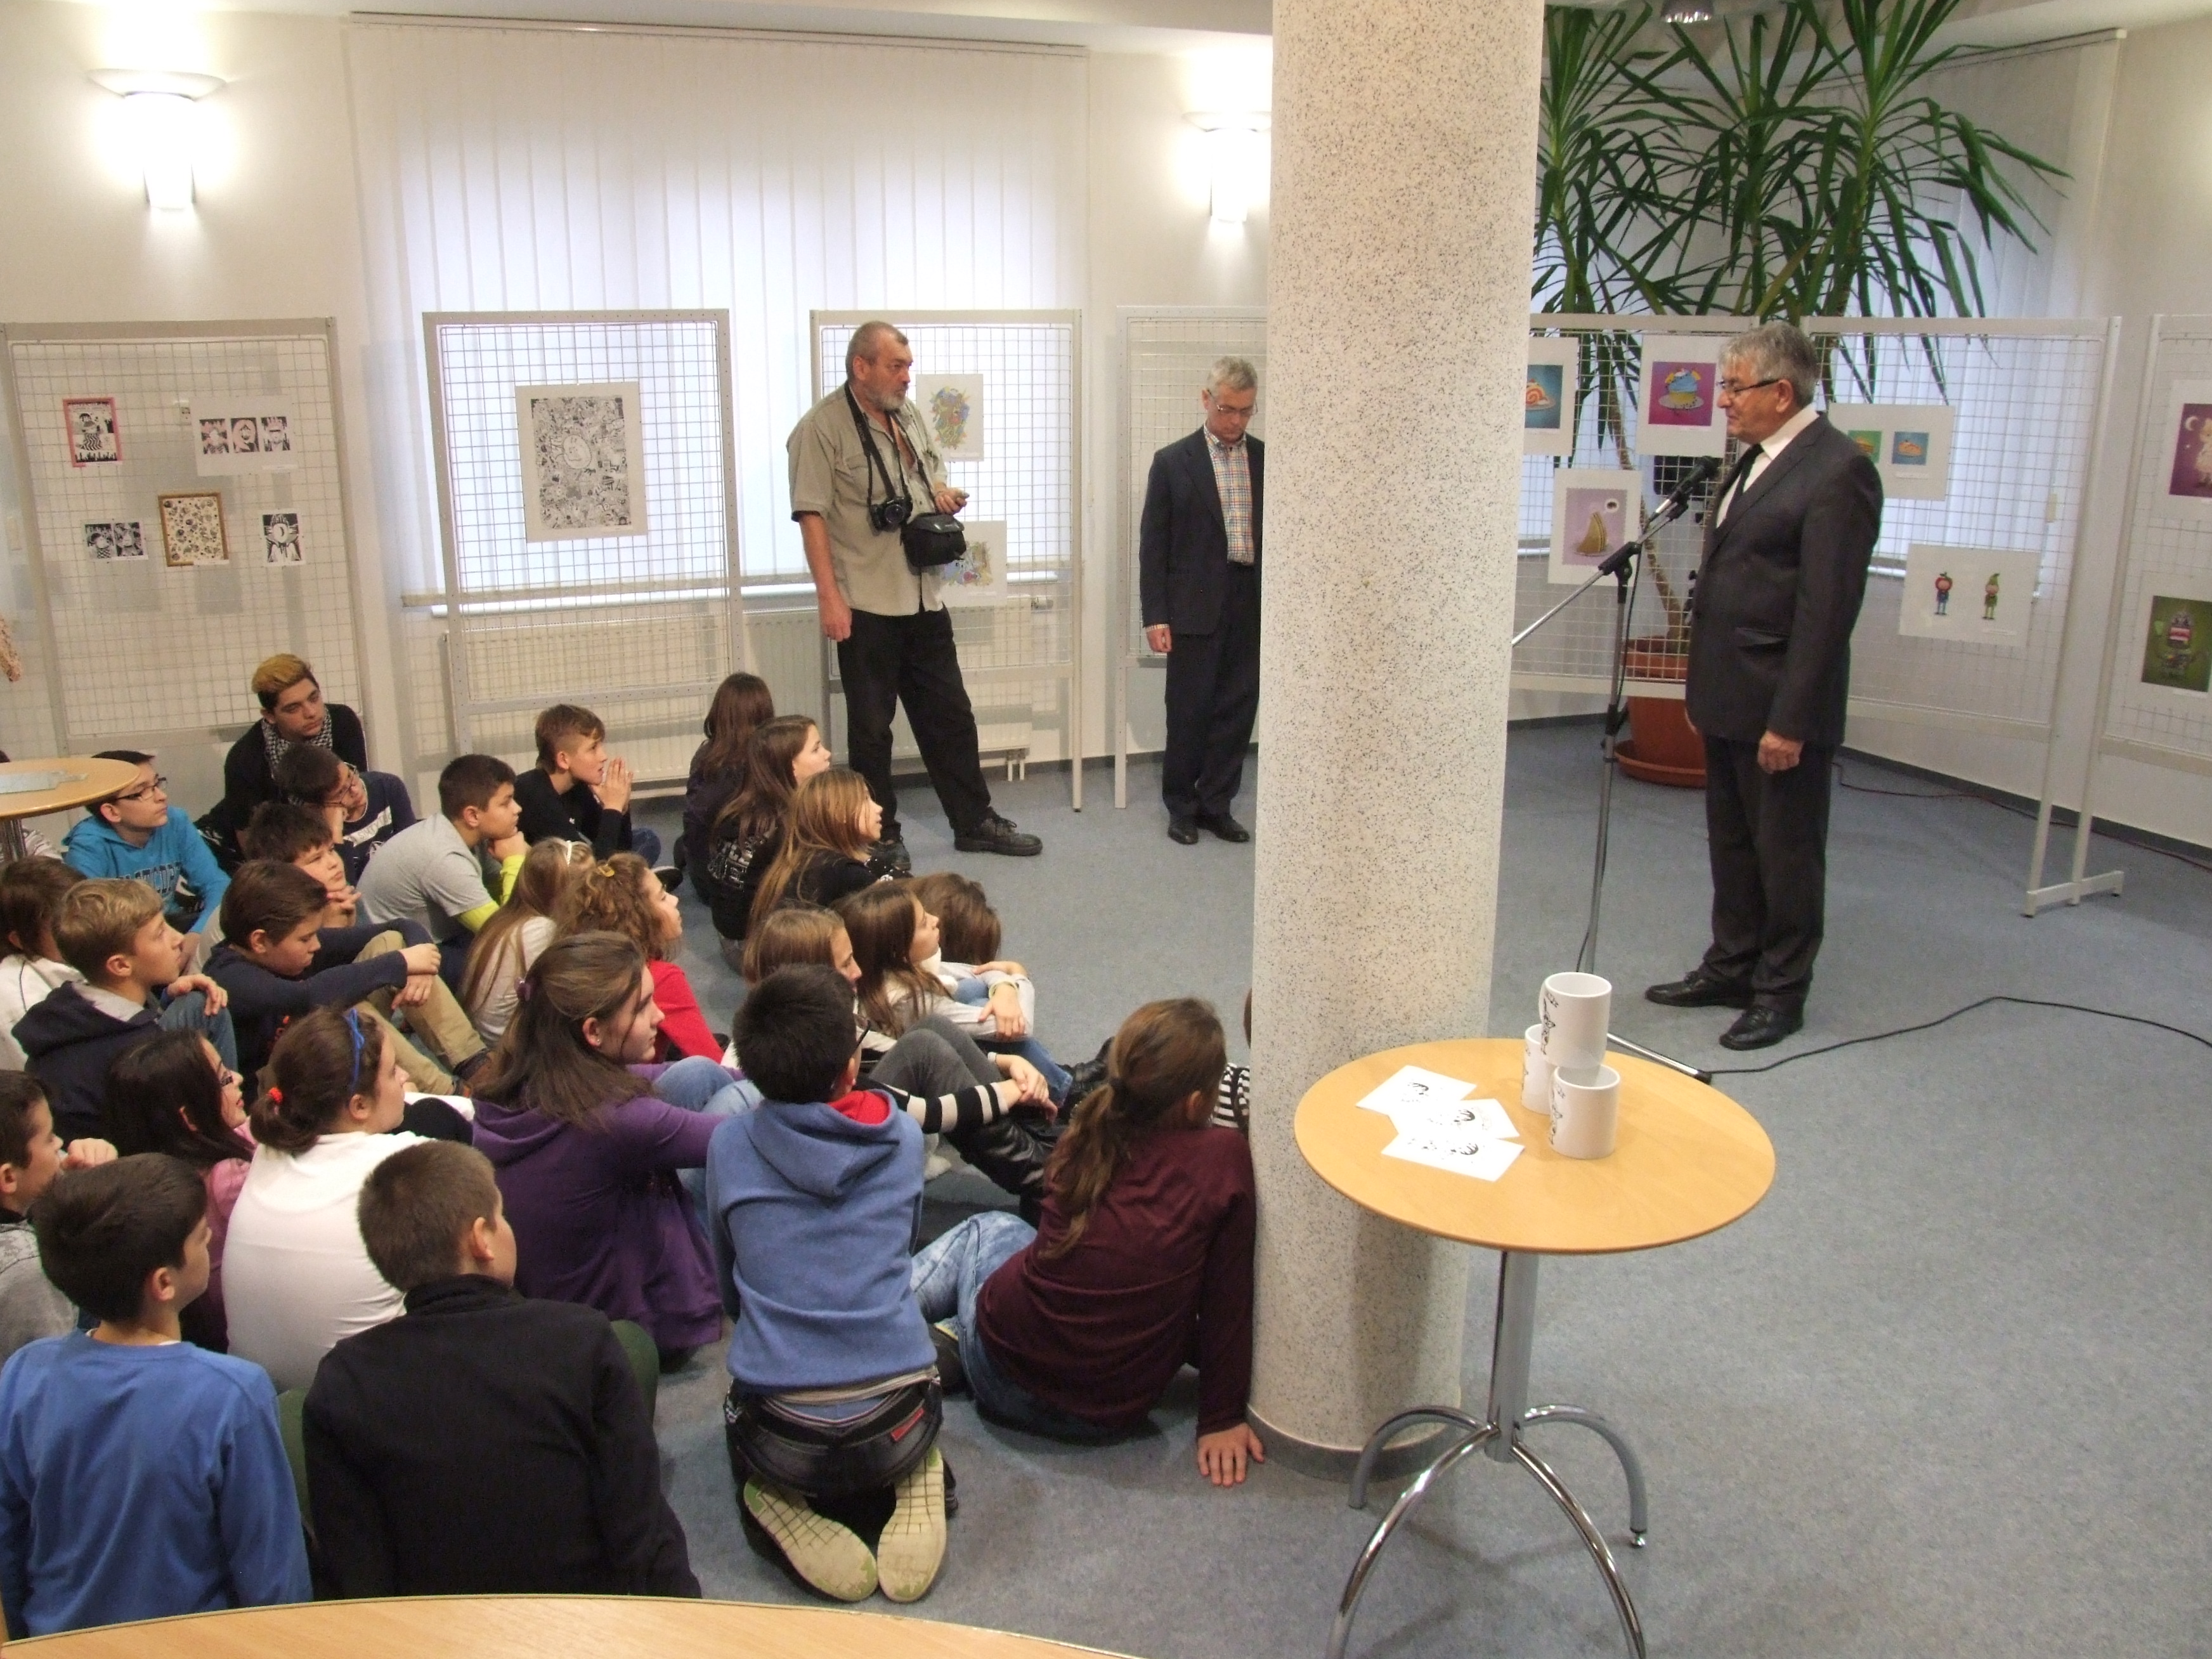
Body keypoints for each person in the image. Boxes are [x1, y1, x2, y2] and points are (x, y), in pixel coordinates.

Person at [303, 1142, 699, 1598]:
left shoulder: (343, 1380)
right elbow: (641, 1531)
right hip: (579, 1623)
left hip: (425, 1629)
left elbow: (357, 1573)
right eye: (501, 1216)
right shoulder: (580, 1341)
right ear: (481, 1239)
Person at [1646, 321, 1882, 1050]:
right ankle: (1731, 966)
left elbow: (1826, 610)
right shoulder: (1752, 460)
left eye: (1734, 387)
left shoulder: (1838, 470)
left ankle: (1780, 992)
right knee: (1733, 843)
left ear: (1781, 393)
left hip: (1780, 705)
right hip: (1727, 694)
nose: (1722, 400)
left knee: (1785, 852)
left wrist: (1791, 719)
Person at [916, 998, 1263, 1486]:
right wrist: (1222, 1417)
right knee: (1015, 1243)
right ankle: (948, 1338)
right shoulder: (1224, 1160)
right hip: (1112, 1411)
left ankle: (878, 1326)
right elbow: (1229, 1297)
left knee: (990, 1228)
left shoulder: (1083, 1142)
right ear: (1194, 1103)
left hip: (1003, 1374)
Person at [706, 964, 950, 1604]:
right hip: (899, 1406)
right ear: (850, 1068)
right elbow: (904, 1245)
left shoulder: (727, 1146)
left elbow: (728, 1278)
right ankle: (916, 1471)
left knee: (745, 1419)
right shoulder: (901, 1137)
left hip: (780, 1427)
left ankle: (775, 1495)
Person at [0, 1155, 311, 1636]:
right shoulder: (233, 1393)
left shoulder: (26, 1372)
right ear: (164, 1282)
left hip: (56, 1641)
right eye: (203, 1239)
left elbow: (9, 1539)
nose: (210, 1243)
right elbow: (272, 1572)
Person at [786, 320, 1039, 864]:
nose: (906, 376)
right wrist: (829, 598)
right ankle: (880, 835)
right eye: (896, 366)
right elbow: (811, 516)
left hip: (924, 596)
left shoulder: (909, 415)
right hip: (865, 603)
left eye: (908, 366)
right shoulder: (821, 429)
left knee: (952, 717)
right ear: (862, 367)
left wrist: (940, 493)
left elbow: (928, 475)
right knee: (872, 732)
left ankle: (974, 820)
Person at [468, 933, 724, 1365]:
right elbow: (746, 1139)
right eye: (643, 1007)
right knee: (746, 1110)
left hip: (561, 1307)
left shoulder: (531, 1078)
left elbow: (664, 1079)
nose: (660, 1016)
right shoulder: (615, 1121)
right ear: (593, 1031)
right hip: (631, 1332)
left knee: (698, 1072)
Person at [741, 906, 1057, 1212]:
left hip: (836, 1131)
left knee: (932, 1029)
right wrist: (1008, 1089)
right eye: (847, 963)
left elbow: (894, 1052)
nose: (858, 971)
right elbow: (929, 1111)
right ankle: (1049, 1181)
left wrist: (1000, 1063)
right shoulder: (808, 1062)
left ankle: (1045, 1146)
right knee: (926, 1047)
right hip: (836, 1158)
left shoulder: (793, 1030)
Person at [221, 1006, 432, 1391]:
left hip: (262, 1397)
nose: (405, 1077)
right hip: (356, 1406)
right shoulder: (401, 1164)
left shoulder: (270, 1146)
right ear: (359, 1106)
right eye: (392, 1072)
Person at [208, 861, 486, 1093]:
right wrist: (401, 963)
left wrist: (419, 967)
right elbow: (306, 997)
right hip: (274, 1092)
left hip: (323, 1061)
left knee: (391, 942)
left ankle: (480, 1068)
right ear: (259, 941)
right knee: (341, 1010)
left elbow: (401, 926)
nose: (316, 945)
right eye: (305, 939)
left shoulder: (287, 946)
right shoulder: (228, 976)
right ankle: (454, 1096)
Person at [1139, 357, 1264, 846]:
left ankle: (1217, 804)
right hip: (1192, 604)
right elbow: (1155, 546)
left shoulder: (1265, 459)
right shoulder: (1173, 462)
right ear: (1206, 399)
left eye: (1246, 411)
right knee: (1189, 710)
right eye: (1227, 409)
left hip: (1250, 598)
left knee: (1237, 708)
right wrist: (1155, 615)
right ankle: (1182, 807)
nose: (1235, 421)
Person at [16, 880, 235, 1145]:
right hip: (131, 1156)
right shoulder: (141, 1057)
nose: (178, 938)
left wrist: (164, 999)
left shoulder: (68, 1006)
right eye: (159, 933)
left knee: (202, 1004)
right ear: (120, 966)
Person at [101, 1033, 254, 1351]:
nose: (238, 1078)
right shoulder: (229, 1179)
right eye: (224, 1078)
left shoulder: (147, 1180)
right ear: (191, 1117)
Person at [356, 753, 528, 985]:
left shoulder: (469, 836)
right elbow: (505, 936)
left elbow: (508, 891)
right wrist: (515, 860)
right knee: (508, 966)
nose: (517, 809)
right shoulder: (444, 858)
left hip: (437, 939)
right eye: (505, 803)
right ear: (472, 815)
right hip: (394, 955)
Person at [554, 854, 719, 1063]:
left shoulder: (579, 968)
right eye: (662, 897)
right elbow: (712, 1061)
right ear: (638, 917)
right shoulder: (659, 978)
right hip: (632, 1080)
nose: (675, 900)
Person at [210, 654, 371, 863]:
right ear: (270, 716)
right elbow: (252, 848)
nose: (311, 712)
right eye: (293, 708)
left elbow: (358, 794)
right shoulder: (245, 758)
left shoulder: (343, 722)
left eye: (314, 698)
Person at [701, 715, 833, 966]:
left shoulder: (740, 807)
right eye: (816, 749)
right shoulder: (786, 825)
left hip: (730, 936)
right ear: (791, 766)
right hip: (757, 949)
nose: (828, 754)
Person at [0, 1076, 114, 1364]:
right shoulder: (28, 1270)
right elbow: (56, 1377)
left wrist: (85, 1184)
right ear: (8, 1177)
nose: (61, 1144)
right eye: (50, 1138)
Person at [61, 752, 231, 935]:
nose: (161, 796)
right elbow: (90, 922)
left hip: (171, 924)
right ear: (112, 812)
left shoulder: (175, 821)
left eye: (156, 784)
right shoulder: (88, 846)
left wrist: (198, 934)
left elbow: (216, 884)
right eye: (142, 792)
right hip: (123, 936)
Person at [460, 837, 593, 1044]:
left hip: (491, 1034)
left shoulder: (505, 918)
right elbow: (574, 996)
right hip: (507, 1044)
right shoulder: (541, 930)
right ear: (560, 894)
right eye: (586, 886)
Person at [514, 703, 661, 868]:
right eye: (593, 748)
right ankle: (638, 878)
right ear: (563, 759)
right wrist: (612, 808)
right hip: (553, 876)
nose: (604, 756)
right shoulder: (536, 797)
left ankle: (635, 877)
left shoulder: (576, 786)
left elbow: (620, 849)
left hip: (576, 865)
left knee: (647, 838)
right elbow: (590, 870)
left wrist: (621, 808)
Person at [748, 767, 894, 929]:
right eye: (865, 799)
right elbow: (896, 927)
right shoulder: (846, 875)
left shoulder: (802, 858)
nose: (878, 808)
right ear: (838, 813)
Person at [274, 743, 416, 883]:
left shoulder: (387, 786)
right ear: (316, 806)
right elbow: (345, 887)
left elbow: (413, 854)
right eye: (341, 792)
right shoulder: (311, 829)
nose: (356, 790)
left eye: (349, 775)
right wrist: (335, 832)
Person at [682, 672, 774, 878]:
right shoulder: (765, 762)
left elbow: (694, 824)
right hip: (737, 872)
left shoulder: (705, 756)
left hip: (703, 865)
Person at [0, 861, 86, 1070]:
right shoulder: (18, 1003)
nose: (84, 928)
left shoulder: (94, 957)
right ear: (21, 940)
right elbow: (46, 1083)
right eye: (63, 925)